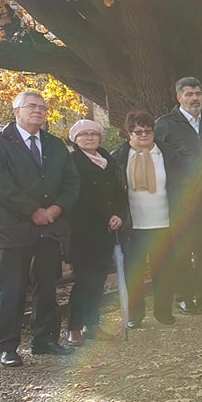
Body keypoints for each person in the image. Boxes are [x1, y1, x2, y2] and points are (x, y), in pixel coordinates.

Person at [0, 90, 80, 366]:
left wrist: (55, 209)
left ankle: (45, 340)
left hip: (49, 229)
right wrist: (33, 211)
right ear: (16, 111)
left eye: (43, 108)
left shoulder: (54, 145)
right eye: (32, 106)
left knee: (46, 288)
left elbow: (71, 183)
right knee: (12, 291)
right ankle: (8, 347)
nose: (38, 111)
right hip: (13, 231)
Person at [155, 77, 202, 313]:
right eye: (188, 94)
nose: (194, 98)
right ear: (178, 97)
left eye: (197, 94)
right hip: (181, 200)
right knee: (182, 252)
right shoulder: (165, 125)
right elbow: (158, 160)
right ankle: (184, 297)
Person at [64, 120, 127, 345]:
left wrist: (118, 214)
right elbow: (78, 196)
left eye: (93, 134)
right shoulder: (72, 162)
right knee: (84, 281)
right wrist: (106, 214)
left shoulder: (108, 161)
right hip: (82, 231)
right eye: (83, 135)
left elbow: (119, 192)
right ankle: (74, 328)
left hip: (106, 231)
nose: (89, 138)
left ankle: (92, 325)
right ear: (75, 139)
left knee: (99, 280)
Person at [111, 111, 176, 326]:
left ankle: (164, 312)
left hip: (164, 222)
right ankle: (135, 315)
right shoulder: (119, 158)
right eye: (138, 131)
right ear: (128, 133)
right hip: (133, 225)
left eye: (148, 131)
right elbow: (114, 192)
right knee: (134, 272)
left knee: (164, 270)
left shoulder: (167, 154)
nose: (144, 135)